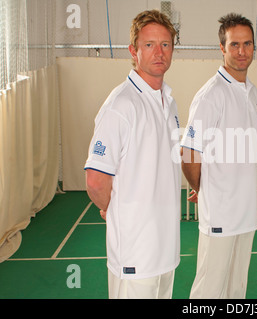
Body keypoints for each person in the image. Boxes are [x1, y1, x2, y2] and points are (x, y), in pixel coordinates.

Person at [84, 10, 181, 299]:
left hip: (166, 251)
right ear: (133, 51)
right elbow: (96, 181)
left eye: (165, 44)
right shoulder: (121, 105)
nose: (159, 52)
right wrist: (111, 209)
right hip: (135, 255)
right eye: (149, 45)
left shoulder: (169, 103)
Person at [180, 13, 257, 299]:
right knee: (209, 290)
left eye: (248, 44)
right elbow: (189, 152)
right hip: (221, 214)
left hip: (247, 213)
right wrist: (202, 187)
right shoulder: (211, 95)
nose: (242, 51)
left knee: (236, 289)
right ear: (222, 48)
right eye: (234, 44)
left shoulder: (253, 93)